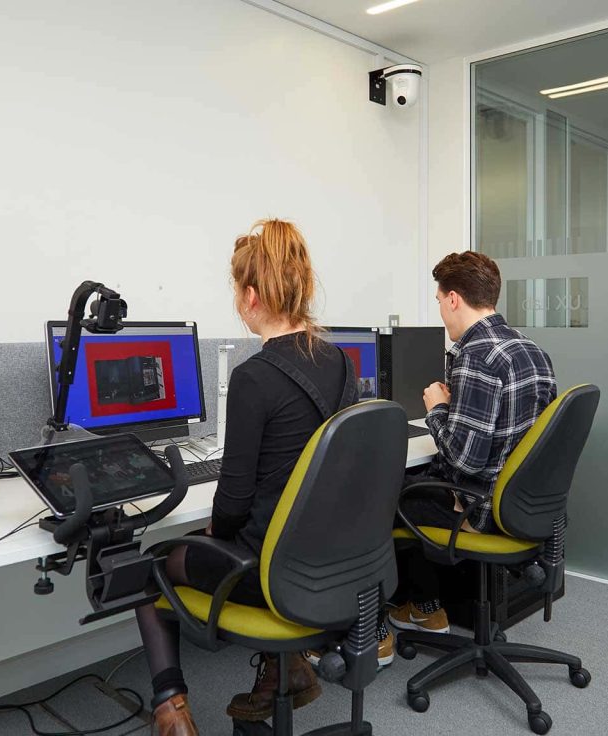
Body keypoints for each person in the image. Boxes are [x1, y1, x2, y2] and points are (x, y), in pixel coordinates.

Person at [139, 219, 359, 735]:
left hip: (270, 573)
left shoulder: (253, 377)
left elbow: (234, 499)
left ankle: (171, 710)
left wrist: (214, 534)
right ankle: (289, 670)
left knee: (149, 563)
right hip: (326, 562)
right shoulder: (342, 362)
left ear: (251, 295)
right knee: (219, 540)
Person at [388, 250, 557, 636]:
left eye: (439, 302)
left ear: (453, 299)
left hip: (482, 509)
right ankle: (425, 604)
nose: (441, 312)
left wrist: (438, 408)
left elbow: (466, 460)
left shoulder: (476, 356)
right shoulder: (532, 350)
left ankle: (419, 608)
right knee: (421, 477)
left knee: (386, 494)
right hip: (522, 506)